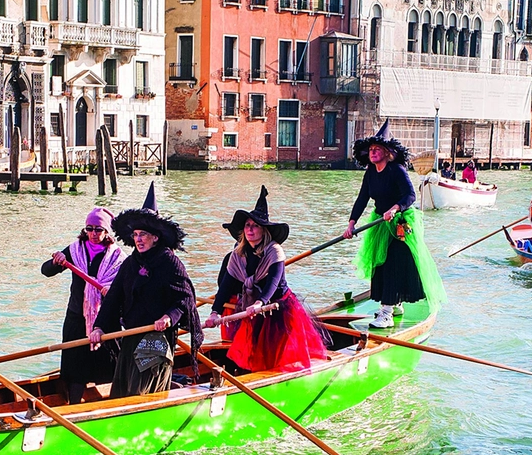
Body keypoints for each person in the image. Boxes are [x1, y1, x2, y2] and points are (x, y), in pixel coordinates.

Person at [90, 183, 204, 398]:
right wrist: (99, 328)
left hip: (157, 338)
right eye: (135, 235)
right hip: (132, 335)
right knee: (121, 391)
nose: (139, 239)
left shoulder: (170, 263)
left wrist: (169, 317)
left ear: (156, 237)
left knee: (141, 391)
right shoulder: (131, 263)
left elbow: (184, 299)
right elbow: (114, 298)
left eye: (143, 234)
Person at [203, 186, 328, 373]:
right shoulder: (237, 255)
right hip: (253, 308)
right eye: (247, 226)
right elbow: (226, 285)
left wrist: (260, 302)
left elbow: (273, 283)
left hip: (278, 308)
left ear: (264, 231)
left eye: (255, 226)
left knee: (276, 354)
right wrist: (215, 312)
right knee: (247, 351)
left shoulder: (274, 251)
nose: (250, 230)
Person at [345, 122, 446, 329]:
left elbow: (410, 195)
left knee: (393, 264)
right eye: (370, 150)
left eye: (377, 149)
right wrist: (351, 223)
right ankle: (395, 303)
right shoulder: (371, 172)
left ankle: (386, 313)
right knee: (380, 265)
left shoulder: (397, 170)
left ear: (387, 152)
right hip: (380, 221)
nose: (372, 153)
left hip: (400, 221)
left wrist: (395, 208)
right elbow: (362, 198)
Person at [41, 207, 125, 404]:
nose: (94, 234)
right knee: (75, 368)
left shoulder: (118, 257)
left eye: (99, 230)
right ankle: (73, 406)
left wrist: (110, 288)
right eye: (90, 229)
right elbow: (46, 271)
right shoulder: (74, 250)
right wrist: (56, 262)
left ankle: (111, 403)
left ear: (107, 233)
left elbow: (126, 287)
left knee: (110, 364)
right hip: (77, 318)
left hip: (105, 320)